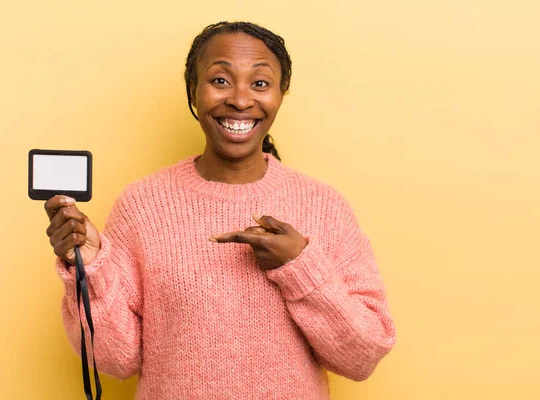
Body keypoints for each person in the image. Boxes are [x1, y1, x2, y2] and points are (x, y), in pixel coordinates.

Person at [44, 21, 396, 399]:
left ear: (281, 94)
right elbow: (117, 360)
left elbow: (363, 357)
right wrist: (90, 269)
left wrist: (300, 266)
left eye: (260, 83)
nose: (241, 100)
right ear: (193, 93)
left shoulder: (325, 207)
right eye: (220, 80)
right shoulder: (142, 206)